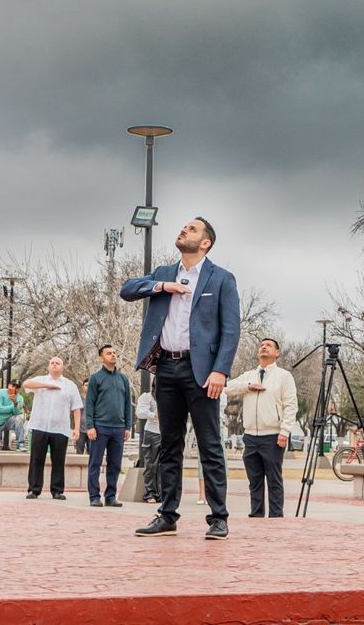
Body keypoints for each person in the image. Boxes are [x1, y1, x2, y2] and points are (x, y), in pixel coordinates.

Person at [120, 217, 241, 540]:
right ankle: (167, 514)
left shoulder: (221, 279)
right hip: (167, 370)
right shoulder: (163, 273)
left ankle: (218, 517)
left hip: (202, 373)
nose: (183, 230)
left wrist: (220, 370)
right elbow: (127, 290)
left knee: (210, 446)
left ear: (205, 243)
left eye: (192, 229)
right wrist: (162, 287)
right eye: (184, 227)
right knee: (169, 446)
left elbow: (231, 330)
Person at [224, 337, 300, 518]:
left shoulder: (284, 376)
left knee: (274, 481)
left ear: (277, 353)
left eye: (269, 345)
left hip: (273, 435)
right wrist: (247, 387)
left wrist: (285, 431)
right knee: (254, 481)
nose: (264, 348)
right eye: (261, 345)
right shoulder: (249, 375)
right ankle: (256, 516)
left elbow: (291, 405)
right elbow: (227, 387)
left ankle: (275, 518)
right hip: (250, 435)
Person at [22, 355, 83, 500]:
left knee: (58, 460)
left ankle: (57, 490)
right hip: (40, 426)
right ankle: (34, 489)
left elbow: (77, 408)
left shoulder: (70, 385)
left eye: (58, 363)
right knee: (36, 459)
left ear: (63, 367)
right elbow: (25, 384)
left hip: (60, 428)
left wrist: (77, 428)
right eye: (52, 363)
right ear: (48, 367)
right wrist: (46, 386)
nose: (55, 365)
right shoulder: (41, 380)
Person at [83, 345, 133, 507]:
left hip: (118, 429)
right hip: (100, 427)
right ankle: (94, 496)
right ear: (101, 357)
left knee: (115, 464)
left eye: (114, 353)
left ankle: (111, 496)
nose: (113, 355)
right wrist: (90, 426)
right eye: (109, 353)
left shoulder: (123, 379)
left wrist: (128, 426)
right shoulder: (95, 378)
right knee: (95, 463)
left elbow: (127, 404)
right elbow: (89, 404)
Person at [135, 388, 162, 503]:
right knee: (150, 464)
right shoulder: (147, 397)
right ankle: (150, 493)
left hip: (167, 432)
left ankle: (162, 493)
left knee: (164, 465)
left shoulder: (171, 394)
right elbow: (140, 412)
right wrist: (153, 415)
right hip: (152, 432)